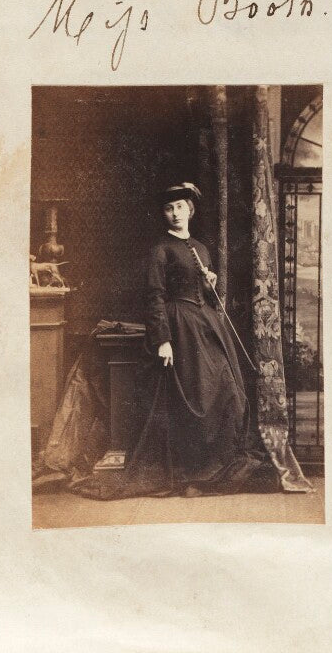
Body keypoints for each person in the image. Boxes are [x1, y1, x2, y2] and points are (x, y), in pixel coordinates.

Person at [79, 182, 278, 500]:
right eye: (169, 208)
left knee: (227, 390)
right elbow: (154, 297)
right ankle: (192, 473)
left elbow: (205, 296)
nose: (175, 213)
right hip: (178, 327)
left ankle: (215, 467)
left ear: (191, 210)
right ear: (164, 213)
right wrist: (163, 340)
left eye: (180, 207)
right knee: (193, 398)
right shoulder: (161, 250)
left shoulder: (201, 248)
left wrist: (209, 282)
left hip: (206, 325)